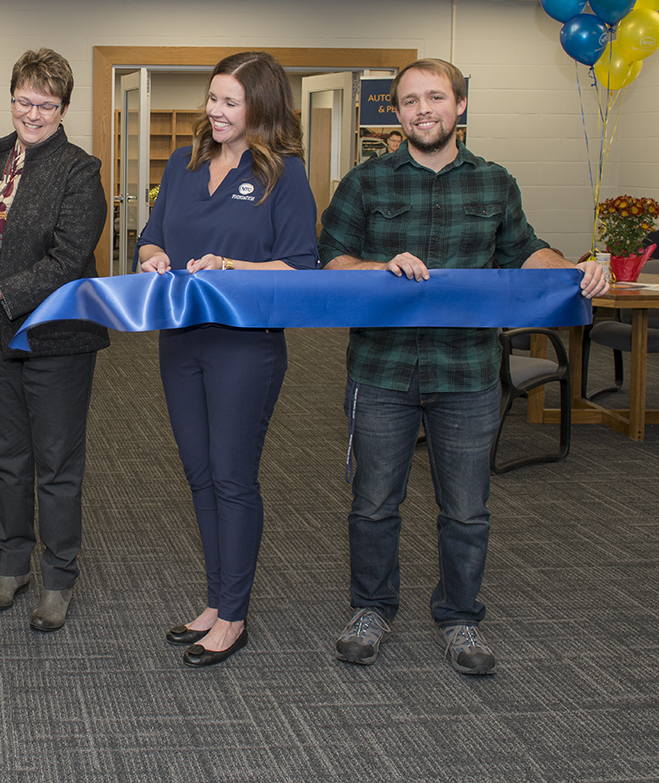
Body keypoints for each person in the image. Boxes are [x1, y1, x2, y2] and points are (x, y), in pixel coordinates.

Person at [319, 58, 608, 676]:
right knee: (372, 504)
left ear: (460, 107)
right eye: (410, 101)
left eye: (436, 98)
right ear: (396, 113)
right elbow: (331, 261)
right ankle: (371, 609)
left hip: (468, 370)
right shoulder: (366, 183)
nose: (424, 110)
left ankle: (459, 618)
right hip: (382, 369)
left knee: (467, 509)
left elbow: (525, 250)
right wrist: (377, 267)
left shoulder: (495, 183)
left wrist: (571, 268)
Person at [135, 51, 319, 668]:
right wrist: (153, 255)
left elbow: (300, 266)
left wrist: (231, 266)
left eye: (229, 102)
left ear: (260, 108)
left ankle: (234, 615)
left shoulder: (284, 175)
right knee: (199, 474)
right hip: (181, 338)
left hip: (245, 344)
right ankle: (214, 601)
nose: (214, 111)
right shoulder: (184, 165)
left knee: (233, 476)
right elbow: (152, 232)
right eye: (211, 99)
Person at [0, 48, 108, 633]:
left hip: (55, 335)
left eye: (47, 105)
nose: (33, 114)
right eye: (24, 101)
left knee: (56, 463)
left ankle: (59, 577)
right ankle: (13, 565)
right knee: (9, 458)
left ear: (64, 109)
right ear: (12, 98)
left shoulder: (80, 171)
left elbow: (67, 259)